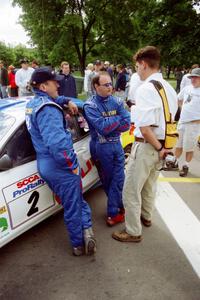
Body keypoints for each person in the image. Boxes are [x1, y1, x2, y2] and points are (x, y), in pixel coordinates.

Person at [25, 67, 96, 256]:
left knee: (74, 201)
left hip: (45, 163)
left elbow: (55, 100)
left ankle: (86, 231)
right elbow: (58, 146)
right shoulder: (48, 109)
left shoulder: (35, 103)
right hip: (59, 165)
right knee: (74, 204)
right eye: (53, 82)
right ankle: (79, 244)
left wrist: (67, 101)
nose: (58, 83)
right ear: (43, 86)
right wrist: (72, 165)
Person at [112, 46, 177, 242]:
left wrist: (158, 148)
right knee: (150, 184)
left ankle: (133, 231)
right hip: (163, 144)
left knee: (131, 189)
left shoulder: (146, 89)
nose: (136, 70)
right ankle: (146, 217)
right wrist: (163, 148)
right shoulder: (168, 88)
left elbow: (146, 128)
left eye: (137, 66)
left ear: (143, 64)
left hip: (150, 145)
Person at [84, 72, 130, 226]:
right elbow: (103, 128)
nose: (110, 87)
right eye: (106, 85)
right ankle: (115, 212)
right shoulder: (90, 105)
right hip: (101, 147)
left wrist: (111, 121)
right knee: (109, 181)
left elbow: (126, 124)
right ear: (96, 87)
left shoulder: (117, 101)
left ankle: (116, 210)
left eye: (111, 83)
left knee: (118, 179)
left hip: (117, 144)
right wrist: (118, 118)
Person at [169, 68, 200, 177]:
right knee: (178, 144)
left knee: (189, 147)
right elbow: (179, 99)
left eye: (195, 77)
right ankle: (175, 162)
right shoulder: (187, 88)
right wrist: (180, 109)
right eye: (192, 77)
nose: (193, 79)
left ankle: (186, 165)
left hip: (194, 124)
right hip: (182, 122)